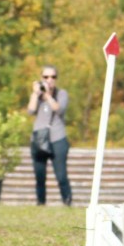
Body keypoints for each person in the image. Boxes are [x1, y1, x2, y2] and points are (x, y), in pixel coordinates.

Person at [28, 65, 72, 206]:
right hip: (39, 139)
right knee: (40, 176)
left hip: (57, 139)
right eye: (46, 77)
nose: (49, 80)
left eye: (53, 77)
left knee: (61, 176)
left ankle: (67, 201)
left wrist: (47, 96)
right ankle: (41, 203)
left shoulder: (61, 94)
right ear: (41, 78)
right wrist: (36, 94)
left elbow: (59, 109)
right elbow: (30, 110)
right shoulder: (37, 96)